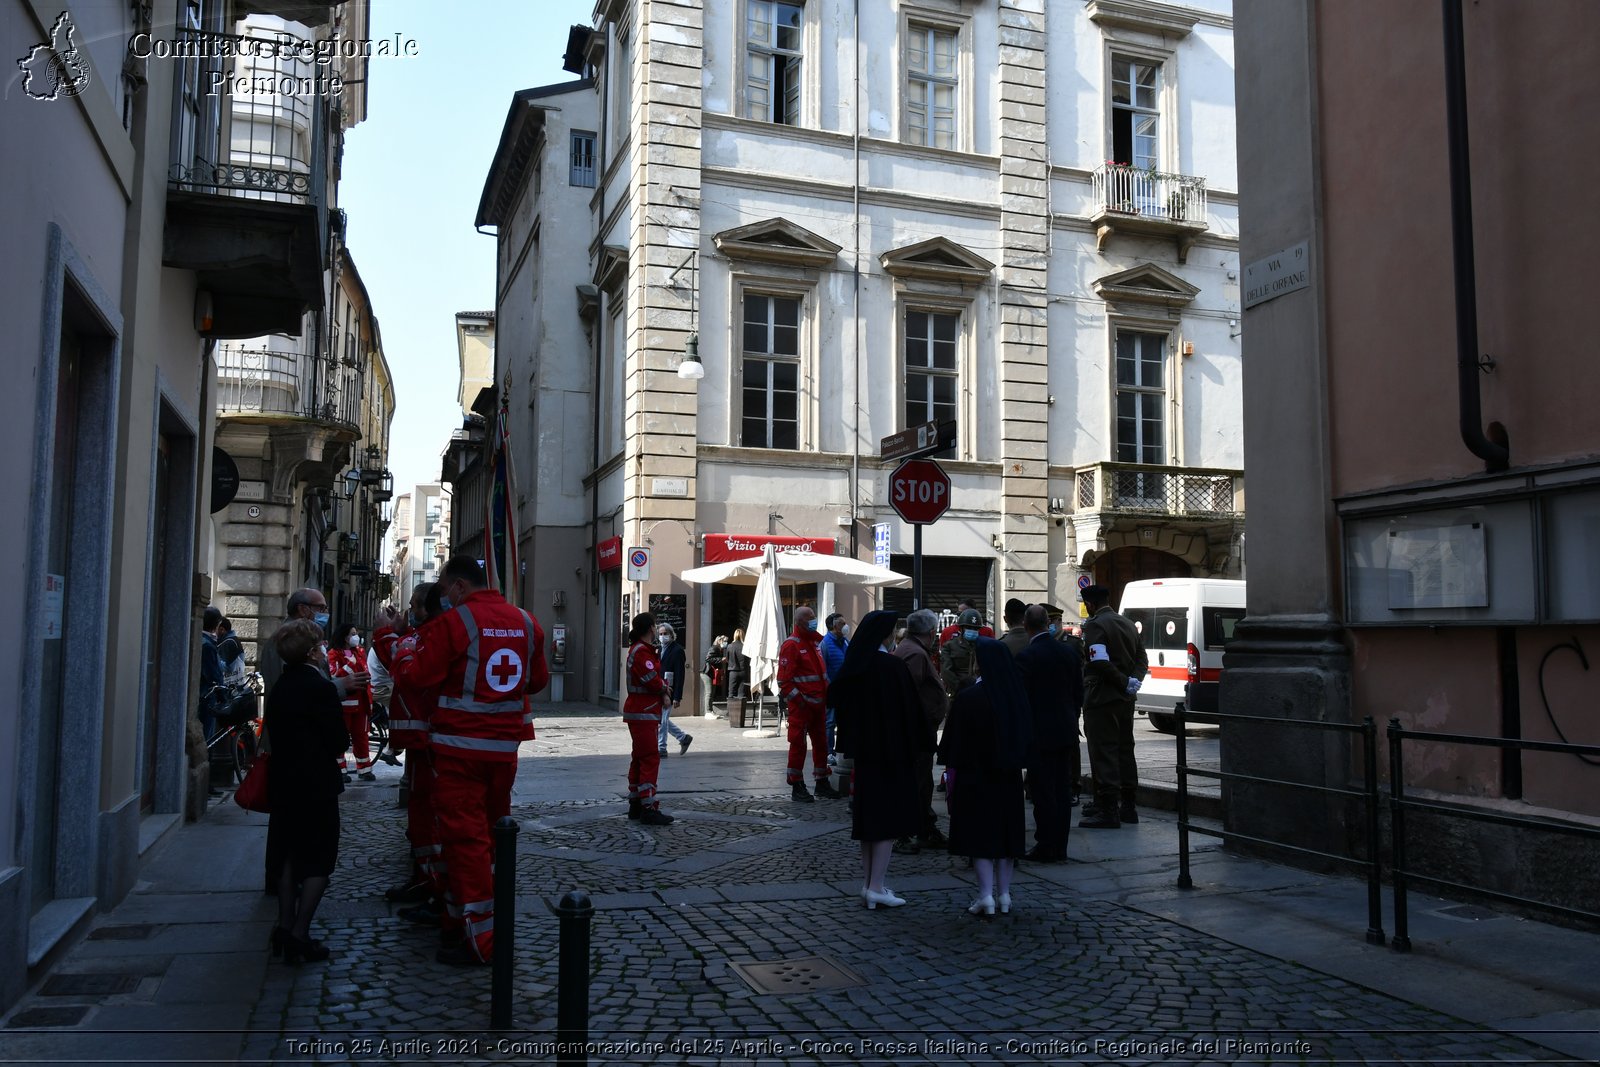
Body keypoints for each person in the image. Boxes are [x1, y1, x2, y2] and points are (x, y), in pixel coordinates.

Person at [390, 556, 549, 965]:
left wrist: (404, 654)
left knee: (465, 841)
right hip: (504, 749)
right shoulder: (528, 622)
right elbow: (537, 681)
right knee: (494, 837)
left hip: (459, 749)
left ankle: (481, 940)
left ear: (459, 587)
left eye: (445, 591)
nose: (444, 599)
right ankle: (459, 919)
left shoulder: (455, 623)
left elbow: (416, 676)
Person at [264, 618, 349, 964]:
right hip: (316, 785)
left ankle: (284, 927)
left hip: (284, 783)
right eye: (321, 646)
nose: (325, 651)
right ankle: (300, 933)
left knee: (288, 857)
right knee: (318, 861)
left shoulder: (281, 685)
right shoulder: (321, 689)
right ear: (313, 653)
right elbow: (338, 742)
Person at [831, 610, 923, 910]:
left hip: (865, 754)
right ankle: (876, 885)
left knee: (868, 819)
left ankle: (869, 883)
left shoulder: (857, 666)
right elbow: (911, 713)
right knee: (886, 821)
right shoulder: (891, 667)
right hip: (891, 752)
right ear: (886, 636)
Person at [938, 638, 1032, 916]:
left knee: (980, 837)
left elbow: (952, 741)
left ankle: (985, 896)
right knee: (1006, 837)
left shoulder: (968, 698)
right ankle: (1004, 895)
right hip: (1008, 776)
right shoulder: (1015, 696)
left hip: (975, 776)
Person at [371, 583, 443, 911]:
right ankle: (424, 876)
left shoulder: (431, 637)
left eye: (414, 605)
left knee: (427, 813)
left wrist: (386, 631)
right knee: (420, 811)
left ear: (428, 609)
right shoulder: (426, 633)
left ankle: (432, 882)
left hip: (428, 742)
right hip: (422, 742)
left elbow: (400, 660)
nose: (409, 610)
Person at [1014, 604, 1083, 862]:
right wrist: (1071, 717)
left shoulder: (1027, 657)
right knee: (1062, 790)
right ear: (1047, 623)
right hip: (1065, 731)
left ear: (1026, 626)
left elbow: (1022, 699)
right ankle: (1060, 846)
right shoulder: (1069, 653)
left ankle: (1045, 844)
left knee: (1043, 792)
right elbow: (1078, 693)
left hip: (1039, 735)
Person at [1079, 584, 1148, 829]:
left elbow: (1098, 661)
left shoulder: (1095, 625)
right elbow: (1142, 658)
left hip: (1102, 698)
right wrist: (1132, 682)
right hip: (1125, 699)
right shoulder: (1127, 623)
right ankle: (1128, 806)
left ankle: (1108, 810)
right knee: (1125, 750)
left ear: (1090, 605)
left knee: (1104, 751)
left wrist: (1121, 682)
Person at [890, 608, 948, 854]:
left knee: (922, 781)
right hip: (916, 731)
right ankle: (906, 832)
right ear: (931, 632)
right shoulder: (914, 653)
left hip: (918, 729)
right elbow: (908, 694)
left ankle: (925, 828)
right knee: (916, 782)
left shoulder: (910, 649)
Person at [777, 606, 841, 802]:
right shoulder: (791, 645)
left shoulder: (815, 641)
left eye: (814, 617)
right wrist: (801, 701)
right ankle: (797, 785)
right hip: (802, 707)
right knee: (798, 744)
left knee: (821, 743)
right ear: (800, 622)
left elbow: (821, 675)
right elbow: (784, 682)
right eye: (810, 618)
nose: (814, 620)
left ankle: (822, 782)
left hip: (819, 706)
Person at [623, 613, 675, 826]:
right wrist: (664, 688)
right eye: (655, 626)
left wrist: (662, 689)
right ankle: (648, 807)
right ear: (650, 628)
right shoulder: (642, 651)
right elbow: (650, 679)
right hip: (643, 711)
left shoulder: (640, 650)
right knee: (650, 758)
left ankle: (636, 803)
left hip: (641, 711)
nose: (657, 630)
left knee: (639, 757)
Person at [328, 623, 375, 782]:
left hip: (362, 703)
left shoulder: (360, 651)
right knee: (340, 738)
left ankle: (365, 769)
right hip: (345, 704)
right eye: (353, 633)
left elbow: (365, 671)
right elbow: (334, 675)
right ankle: (339, 770)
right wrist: (350, 665)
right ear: (345, 637)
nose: (356, 637)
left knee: (361, 737)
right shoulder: (334, 654)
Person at [655, 623, 693, 757]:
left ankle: (661, 748)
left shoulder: (677, 650)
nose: (663, 636)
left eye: (665, 633)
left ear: (671, 634)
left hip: (670, 690)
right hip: (660, 688)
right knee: (661, 719)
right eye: (660, 634)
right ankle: (683, 738)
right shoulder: (659, 650)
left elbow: (680, 674)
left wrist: (677, 696)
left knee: (662, 720)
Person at [819, 612, 849, 762]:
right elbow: (822, 668)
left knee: (843, 721)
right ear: (834, 626)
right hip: (831, 690)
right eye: (842, 623)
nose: (845, 626)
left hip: (844, 690)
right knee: (830, 722)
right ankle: (828, 752)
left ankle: (840, 750)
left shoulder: (845, 642)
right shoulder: (825, 644)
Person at [939, 607, 986, 700]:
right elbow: (946, 672)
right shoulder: (949, 646)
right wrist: (960, 688)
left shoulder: (984, 646)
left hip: (981, 693)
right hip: (958, 694)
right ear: (961, 628)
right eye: (968, 627)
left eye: (975, 628)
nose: (972, 630)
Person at [198, 606, 225, 742]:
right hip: (207, 697)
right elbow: (213, 674)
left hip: (203, 695)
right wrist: (223, 695)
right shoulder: (207, 645)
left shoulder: (202, 640)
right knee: (206, 738)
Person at [217, 618, 247, 685]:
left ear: (222, 630)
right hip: (237, 681)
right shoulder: (234, 640)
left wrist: (214, 658)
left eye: (215, 629)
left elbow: (227, 668)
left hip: (228, 684)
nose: (214, 632)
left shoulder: (227, 643)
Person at [724, 628, 747, 701]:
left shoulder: (730, 646)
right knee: (741, 694)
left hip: (733, 671)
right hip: (743, 670)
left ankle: (731, 711)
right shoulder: (745, 646)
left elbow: (726, 659)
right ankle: (741, 710)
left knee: (731, 693)